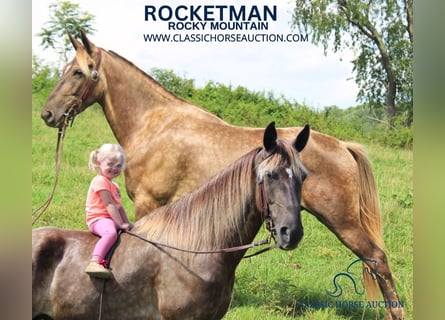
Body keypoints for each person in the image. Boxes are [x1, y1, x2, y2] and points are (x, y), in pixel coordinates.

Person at [84, 143, 133, 278]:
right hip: (98, 219)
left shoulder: (114, 185)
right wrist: (120, 224)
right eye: (110, 164)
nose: (114, 169)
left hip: (109, 218)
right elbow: (109, 204)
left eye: (118, 166)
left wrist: (127, 223)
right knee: (111, 233)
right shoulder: (99, 181)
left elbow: (119, 207)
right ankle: (95, 261)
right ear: (99, 163)